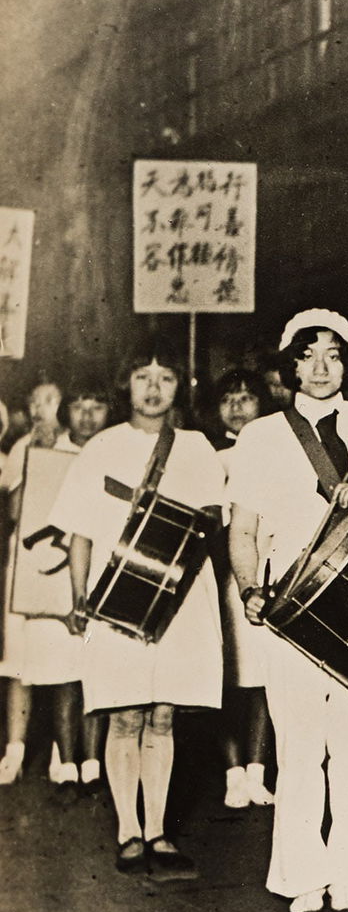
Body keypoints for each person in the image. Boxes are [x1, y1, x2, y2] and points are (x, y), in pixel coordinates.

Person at [229, 316, 348, 912]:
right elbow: (245, 529)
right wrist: (251, 586)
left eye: (334, 355)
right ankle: (302, 875)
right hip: (292, 602)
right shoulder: (260, 436)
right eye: (308, 356)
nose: (322, 367)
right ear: (291, 366)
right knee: (300, 743)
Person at [51, 342, 226, 879]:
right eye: (142, 377)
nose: (153, 388)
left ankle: (158, 831)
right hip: (116, 595)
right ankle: (128, 830)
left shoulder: (196, 447)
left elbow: (208, 524)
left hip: (179, 594)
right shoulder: (101, 447)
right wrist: (81, 598)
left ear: (179, 387)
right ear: (124, 385)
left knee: (165, 714)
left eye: (165, 378)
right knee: (125, 713)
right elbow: (79, 531)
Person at [0, 384, 111, 793]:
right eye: (78, 407)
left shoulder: (113, 447)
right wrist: (39, 463)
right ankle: (62, 755)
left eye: (95, 406)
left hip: (95, 567)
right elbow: (17, 514)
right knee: (55, 667)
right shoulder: (40, 445)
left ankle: (92, 759)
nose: (86, 416)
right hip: (49, 570)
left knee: (93, 668)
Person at [211, 368, 276, 810]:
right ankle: (232, 771)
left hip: (265, 575)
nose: (237, 406)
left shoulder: (274, 451)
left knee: (262, 678)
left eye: (247, 397)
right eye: (228, 398)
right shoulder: (209, 457)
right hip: (219, 578)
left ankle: (257, 771)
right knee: (222, 679)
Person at [0, 381, 65, 785]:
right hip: (24, 562)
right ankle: (15, 750)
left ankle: (65, 749)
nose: (42, 408)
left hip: (61, 562)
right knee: (19, 659)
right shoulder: (23, 446)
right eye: (35, 401)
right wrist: (36, 457)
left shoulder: (81, 444)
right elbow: (13, 511)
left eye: (51, 400)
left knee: (62, 659)